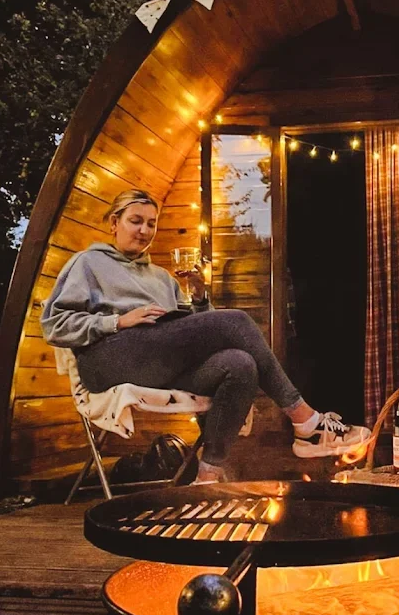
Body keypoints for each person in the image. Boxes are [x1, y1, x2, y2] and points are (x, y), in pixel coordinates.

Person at [41, 189, 370, 482]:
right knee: (236, 321)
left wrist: (198, 296)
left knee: (239, 364)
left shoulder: (161, 278)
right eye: (135, 221)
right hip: (110, 359)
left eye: (151, 224)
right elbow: (54, 324)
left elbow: (196, 335)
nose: (144, 231)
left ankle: (209, 475)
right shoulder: (88, 263)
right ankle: (305, 421)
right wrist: (118, 322)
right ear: (114, 222)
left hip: (157, 362)